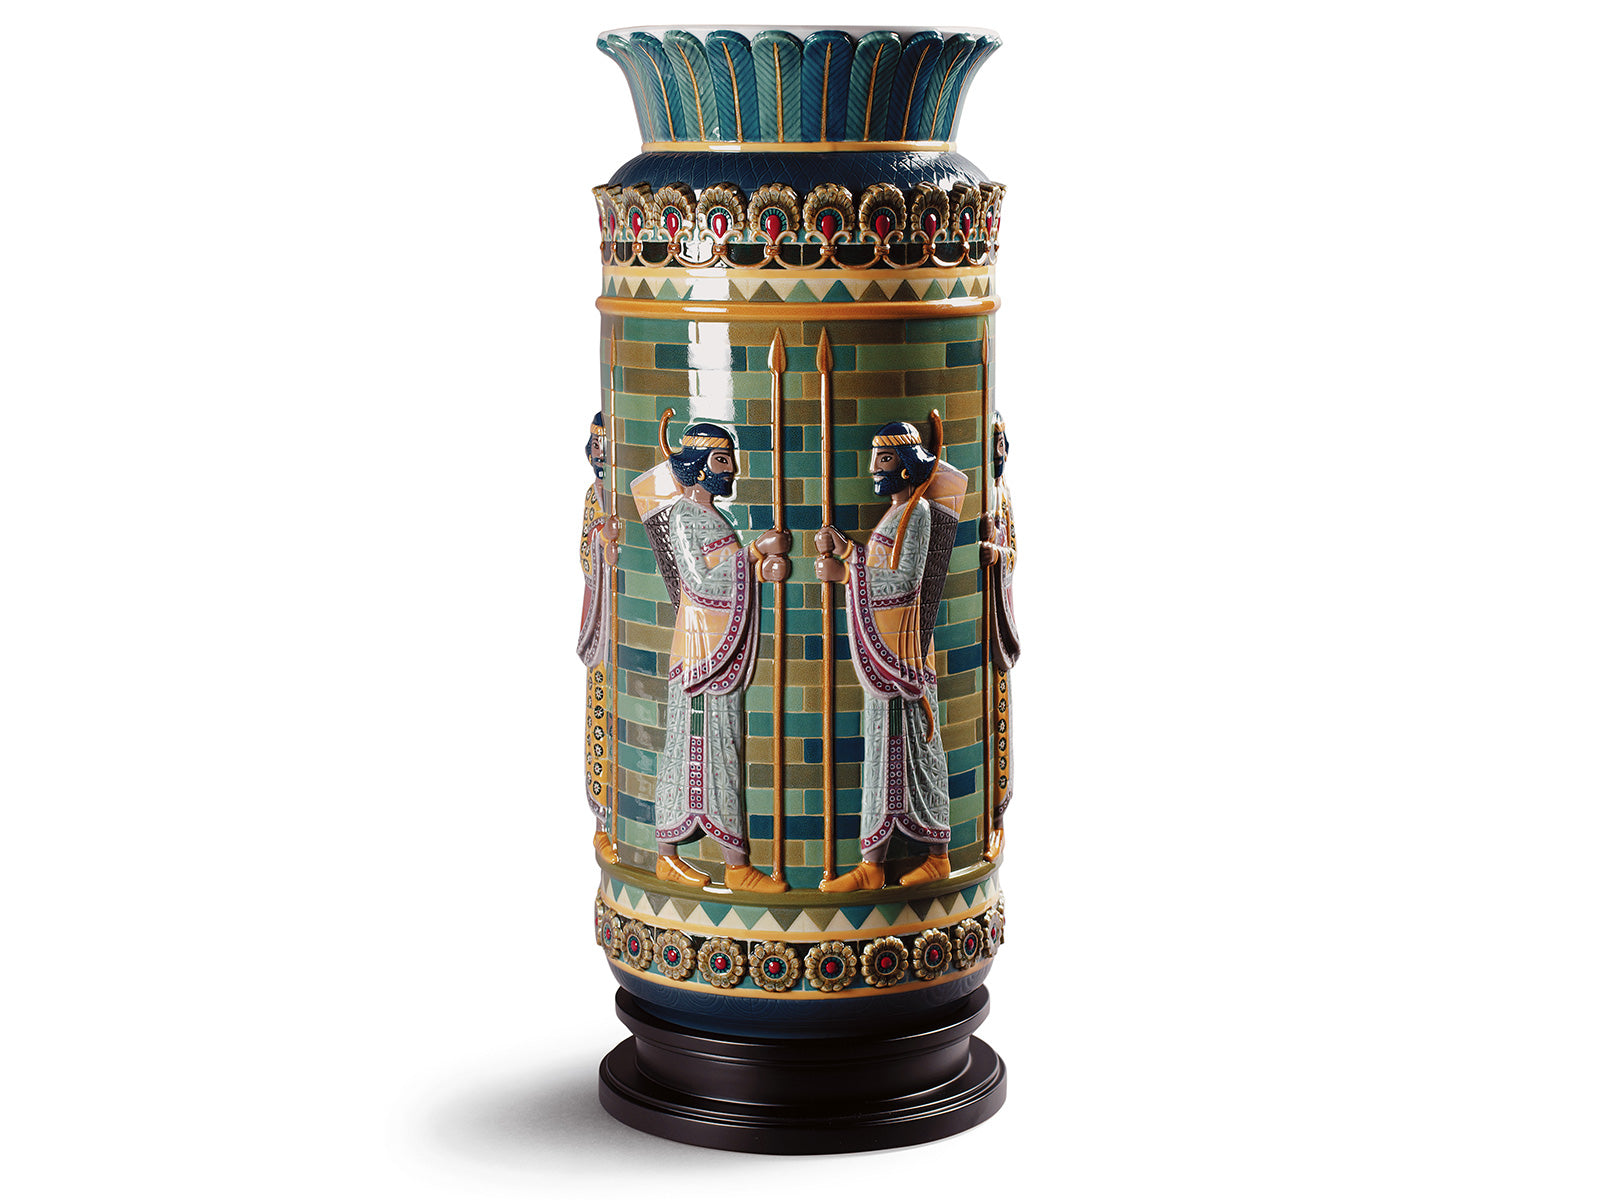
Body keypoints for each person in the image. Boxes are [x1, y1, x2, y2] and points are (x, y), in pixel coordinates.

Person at [631, 420, 790, 892]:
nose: (732, 469)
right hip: (701, 654)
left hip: (717, 650)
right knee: (699, 749)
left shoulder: (709, 515)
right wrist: (754, 554)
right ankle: (696, 861)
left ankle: (724, 863)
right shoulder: (684, 516)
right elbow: (700, 584)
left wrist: (759, 570)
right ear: (699, 467)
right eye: (723, 460)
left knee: (717, 750)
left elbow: (725, 577)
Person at [815, 421, 966, 892]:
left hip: (904, 653)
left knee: (920, 748)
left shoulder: (916, 513)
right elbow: (883, 565)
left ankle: (938, 856)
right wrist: (850, 552)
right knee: (882, 753)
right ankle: (873, 864)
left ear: (905, 465)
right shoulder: (896, 514)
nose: (872, 470)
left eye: (882, 459)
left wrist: (847, 574)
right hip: (884, 650)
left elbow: (904, 582)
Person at [576, 413, 619, 863]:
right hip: (605, 623)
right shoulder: (596, 496)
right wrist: (600, 539)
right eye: (595, 446)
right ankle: (604, 822)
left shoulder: (624, 495)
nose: (599, 454)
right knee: (603, 708)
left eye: (606, 445)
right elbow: (586, 559)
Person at [981, 414, 1021, 861]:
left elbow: (1014, 554)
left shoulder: (1001, 497)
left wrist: (997, 555)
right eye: (993, 442)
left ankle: (995, 820)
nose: (999, 451)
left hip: (993, 624)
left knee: (996, 715)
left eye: (1002, 442)